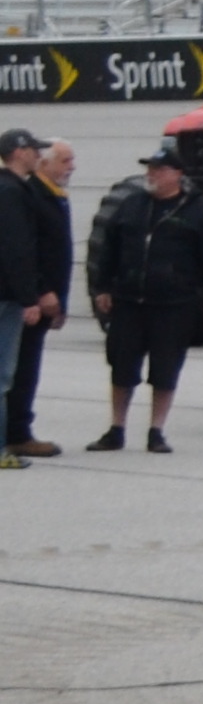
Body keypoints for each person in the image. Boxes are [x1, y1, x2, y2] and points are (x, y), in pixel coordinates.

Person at [87, 145, 203, 456]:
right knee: (122, 367)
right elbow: (108, 249)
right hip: (128, 302)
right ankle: (116, 428)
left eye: (159, 170)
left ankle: (156, 431)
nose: (152, 175)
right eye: (150, 169)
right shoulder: (131, 205)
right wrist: (102, 287)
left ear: (177, 174)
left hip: (174, 304)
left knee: (165, 370)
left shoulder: (197, 211)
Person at [0, 132, 56, 465]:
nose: (38, 155)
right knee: (2, 375)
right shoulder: (12, 192)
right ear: (19, 152)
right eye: (34, 149)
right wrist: (28, 297)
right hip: (6, 297)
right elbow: (16, 249)